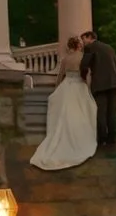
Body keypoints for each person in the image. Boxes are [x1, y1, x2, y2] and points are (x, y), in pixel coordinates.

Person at [29, 36, 97, 171]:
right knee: (82, 111)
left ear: (70, 46)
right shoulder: (83, 57)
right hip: (79, 85)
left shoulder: (65, 59)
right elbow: (87, 75)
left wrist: (56, 90)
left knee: (65, 114)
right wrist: (89, 89)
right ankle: (82, 139)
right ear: (79, 45)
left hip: (66, 86)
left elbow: (60, 76)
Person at [80, 29, 116, 148]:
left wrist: (83, 77)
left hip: (100, 85)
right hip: (115, 83)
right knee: (112, 113)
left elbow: (84, 65)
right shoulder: (109, 47)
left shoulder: (90, 48)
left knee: (101, 113)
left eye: (83, 39)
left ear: (89, 37)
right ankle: (112, 138)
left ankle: (102, 139)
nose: (83, 42)